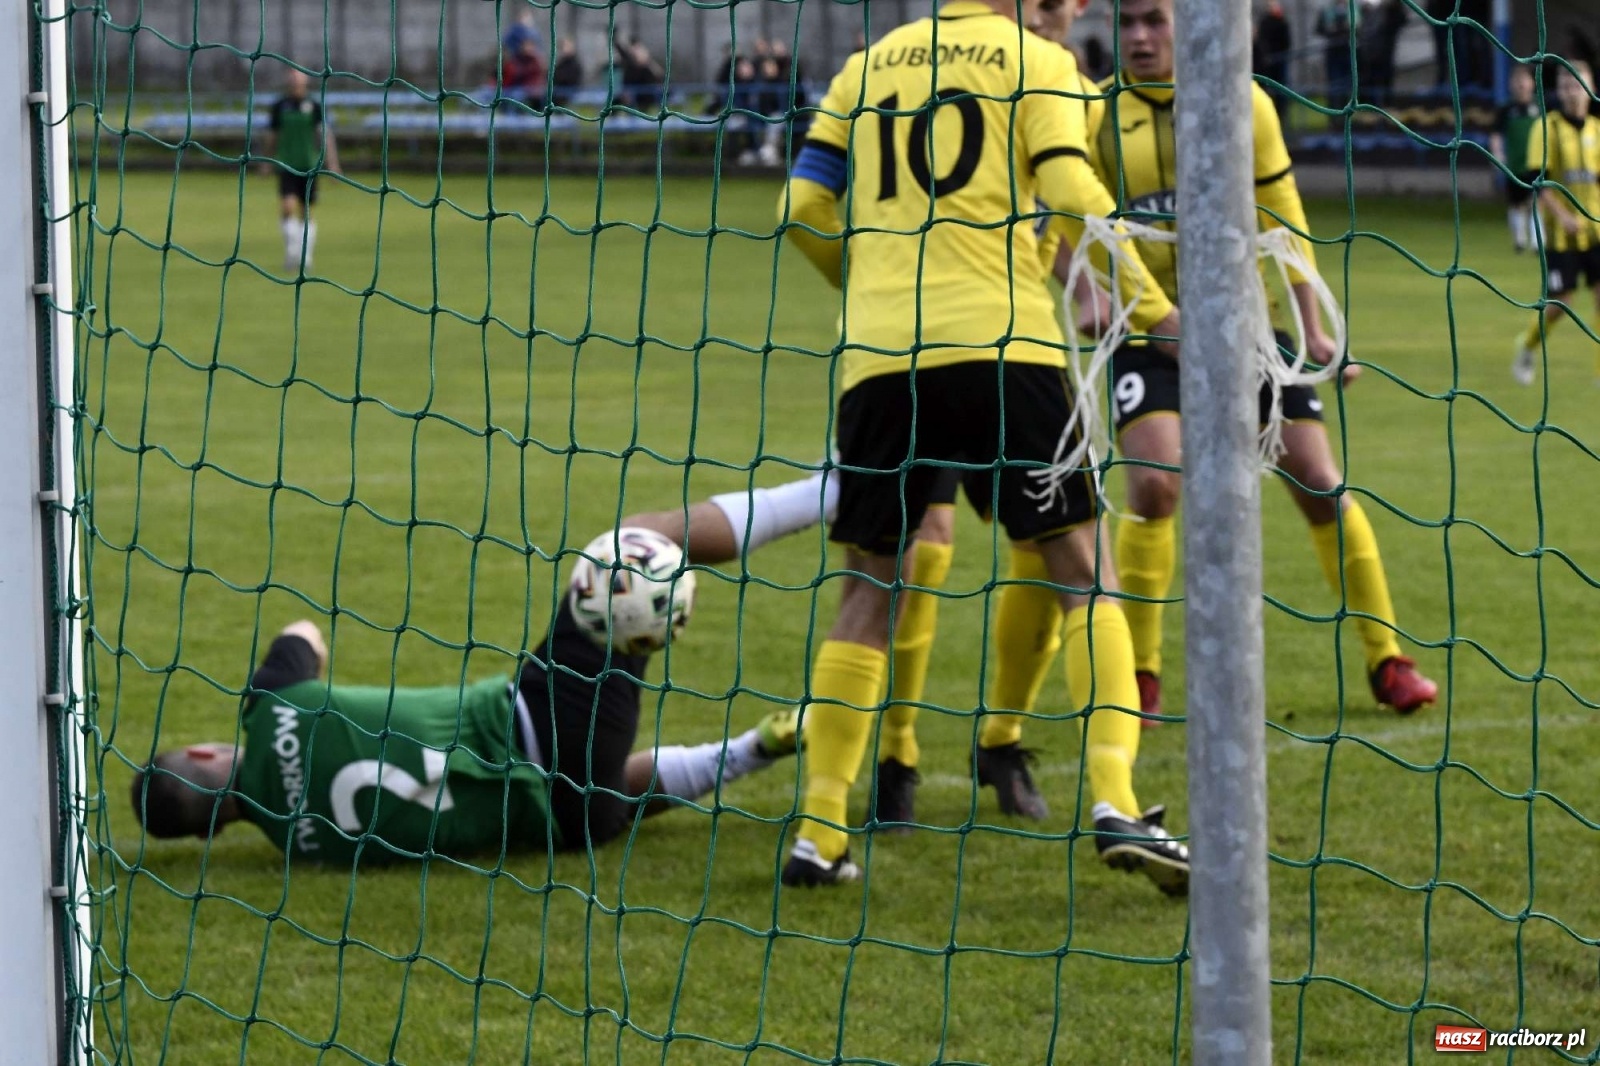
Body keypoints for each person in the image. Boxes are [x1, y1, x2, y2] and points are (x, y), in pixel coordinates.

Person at [776, 0, 1189, 895]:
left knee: (868, 588)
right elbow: (1075, 196)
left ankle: (819, 831)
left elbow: (803, 203)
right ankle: (1117, 800)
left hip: (882, 359)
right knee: (1084, 572)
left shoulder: (867, 64)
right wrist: (1160, 315)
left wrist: (874, 281)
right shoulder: (1034, 61)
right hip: (1005, 348)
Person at [127, 474, 850, 861]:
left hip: (567, 823)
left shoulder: (297, 846)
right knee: (625, 549)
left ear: (209, 833)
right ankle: (833, 489)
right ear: (201, 751)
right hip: (535, 717)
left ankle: (757, 748)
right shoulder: (271, 704)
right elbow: (302, 631)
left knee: (608, 788)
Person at [1091, 0, 1439, 728]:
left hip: (1246, 326)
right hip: (1149, 326)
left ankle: (1389, 658)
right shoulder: (1096, 114)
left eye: (1155, 21)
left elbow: (1285, 219)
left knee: (1318, 481)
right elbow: (1071, 221)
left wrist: (1313, 329)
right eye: (1128, 25)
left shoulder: (1243, 99)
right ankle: (1143, 677)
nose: (1141, 38)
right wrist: (1101, 293)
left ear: (1192, 27)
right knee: (1155, 486)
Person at [867, 0, 1125, 836]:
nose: (1062, 16)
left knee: (1047, 554)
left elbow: (1041, 225)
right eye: (1050, 4)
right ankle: (895, 756)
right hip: (934, 341)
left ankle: (1002, 740)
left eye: (1072, 8)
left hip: (996, 343)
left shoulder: (1065, 90)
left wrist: (1084, 282)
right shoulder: (969, 71)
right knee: (921, 548)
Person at [1513, 62, 1600, 387]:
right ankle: (1527, 344)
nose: (1572, 91)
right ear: (1559, 91)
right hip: (1561, 234)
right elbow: (1537, 181)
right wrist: (1564, 216)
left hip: (1596, 231)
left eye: (1578, 84)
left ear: (1590, 87)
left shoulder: (1597, 129)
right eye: (1566, 86)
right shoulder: (1546, 127)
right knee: (1561, 303)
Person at [261, 69, 340, 274]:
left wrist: (332, 164)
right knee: (287, 207)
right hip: (287, 164)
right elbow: (272, 135)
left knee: (306, 211)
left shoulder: (314, 106)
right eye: (293, 81)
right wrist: (267, 161)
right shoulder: (280, 106)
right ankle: (291, 251)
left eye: (299, 81)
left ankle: (306, 256)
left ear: (305, 84)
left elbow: (324, 136)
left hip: (309, 166)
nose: (296, 85)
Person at [1493, 65, 1543, 254]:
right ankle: (1519, 240)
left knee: (1536, 201)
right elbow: (1496, 134)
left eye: (1524, 80)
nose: (1521, 85)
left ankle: (1538, 242)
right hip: (1514, 164)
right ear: (1511, 84)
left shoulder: (1540, 107)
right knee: (1516, 203)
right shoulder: (1506, 109)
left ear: (1532, 83)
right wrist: (1498, 154)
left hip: (1536, 162)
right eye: (1517, 81)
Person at [1254, 1, 1293, 114]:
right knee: (1268, 89)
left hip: (1279, 60)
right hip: (1267, 61)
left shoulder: (1282, 22)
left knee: (1281, 89)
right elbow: (1262, 41)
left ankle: (1281, 114)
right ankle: (1271, 112)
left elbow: (1286, 42)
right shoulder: (1265, 22)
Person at [1315, 0, 1357, 106]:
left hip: (1347, 50)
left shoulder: (1353, 9)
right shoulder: (1328, 10)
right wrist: (1330, 29)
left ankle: (1346, 108)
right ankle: (1334, 112)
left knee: (1347, 82)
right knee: (1333, 82)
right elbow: (1318, 28)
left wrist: (1348, 28)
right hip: (1333, 51)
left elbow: (1359, 27)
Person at [551, 38, 583, 107]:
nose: (564, 49)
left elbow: (572, 78)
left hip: (570, 90)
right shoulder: (560, 63)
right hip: (558, 90)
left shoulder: (575, 63)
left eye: (567, 47)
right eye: (563, 47)